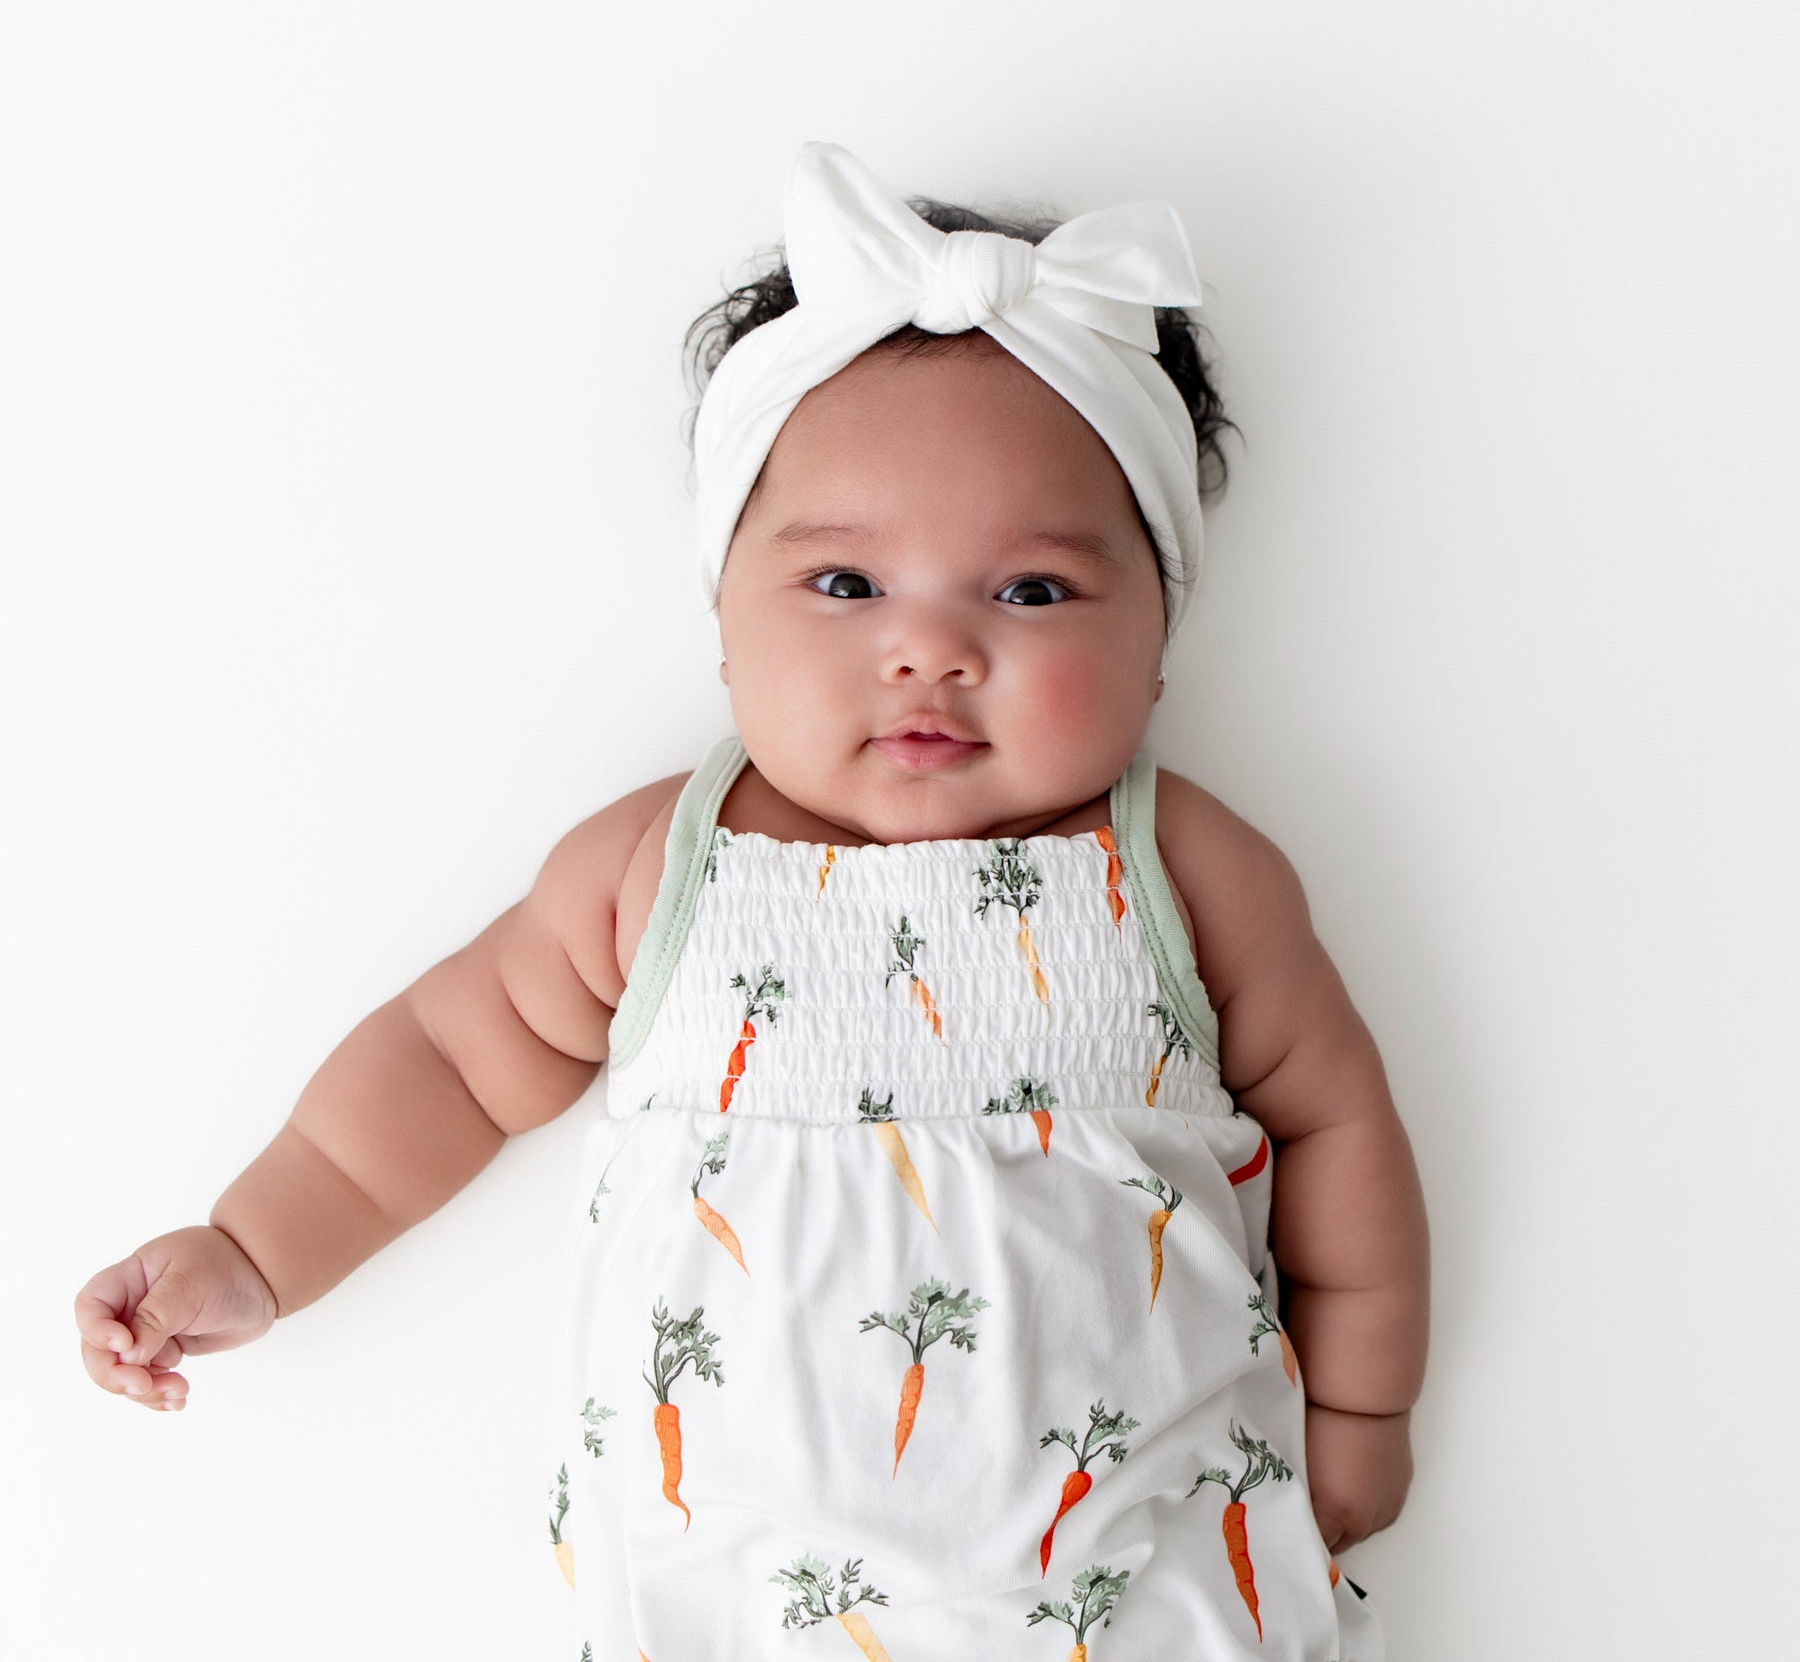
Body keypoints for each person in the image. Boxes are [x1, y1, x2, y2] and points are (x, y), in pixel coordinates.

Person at [75, 140, 1427, 1658]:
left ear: (1159, 635)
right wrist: (255, 1250)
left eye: (1031, 592)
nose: (929, 650)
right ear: (724, 616)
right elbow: (447, 1068)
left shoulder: (1185, 876)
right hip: (725, 1589)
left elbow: (1336, 1128)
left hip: (1148, 1571)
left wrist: (1363, 1404)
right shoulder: (659, 873)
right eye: (846, 587)